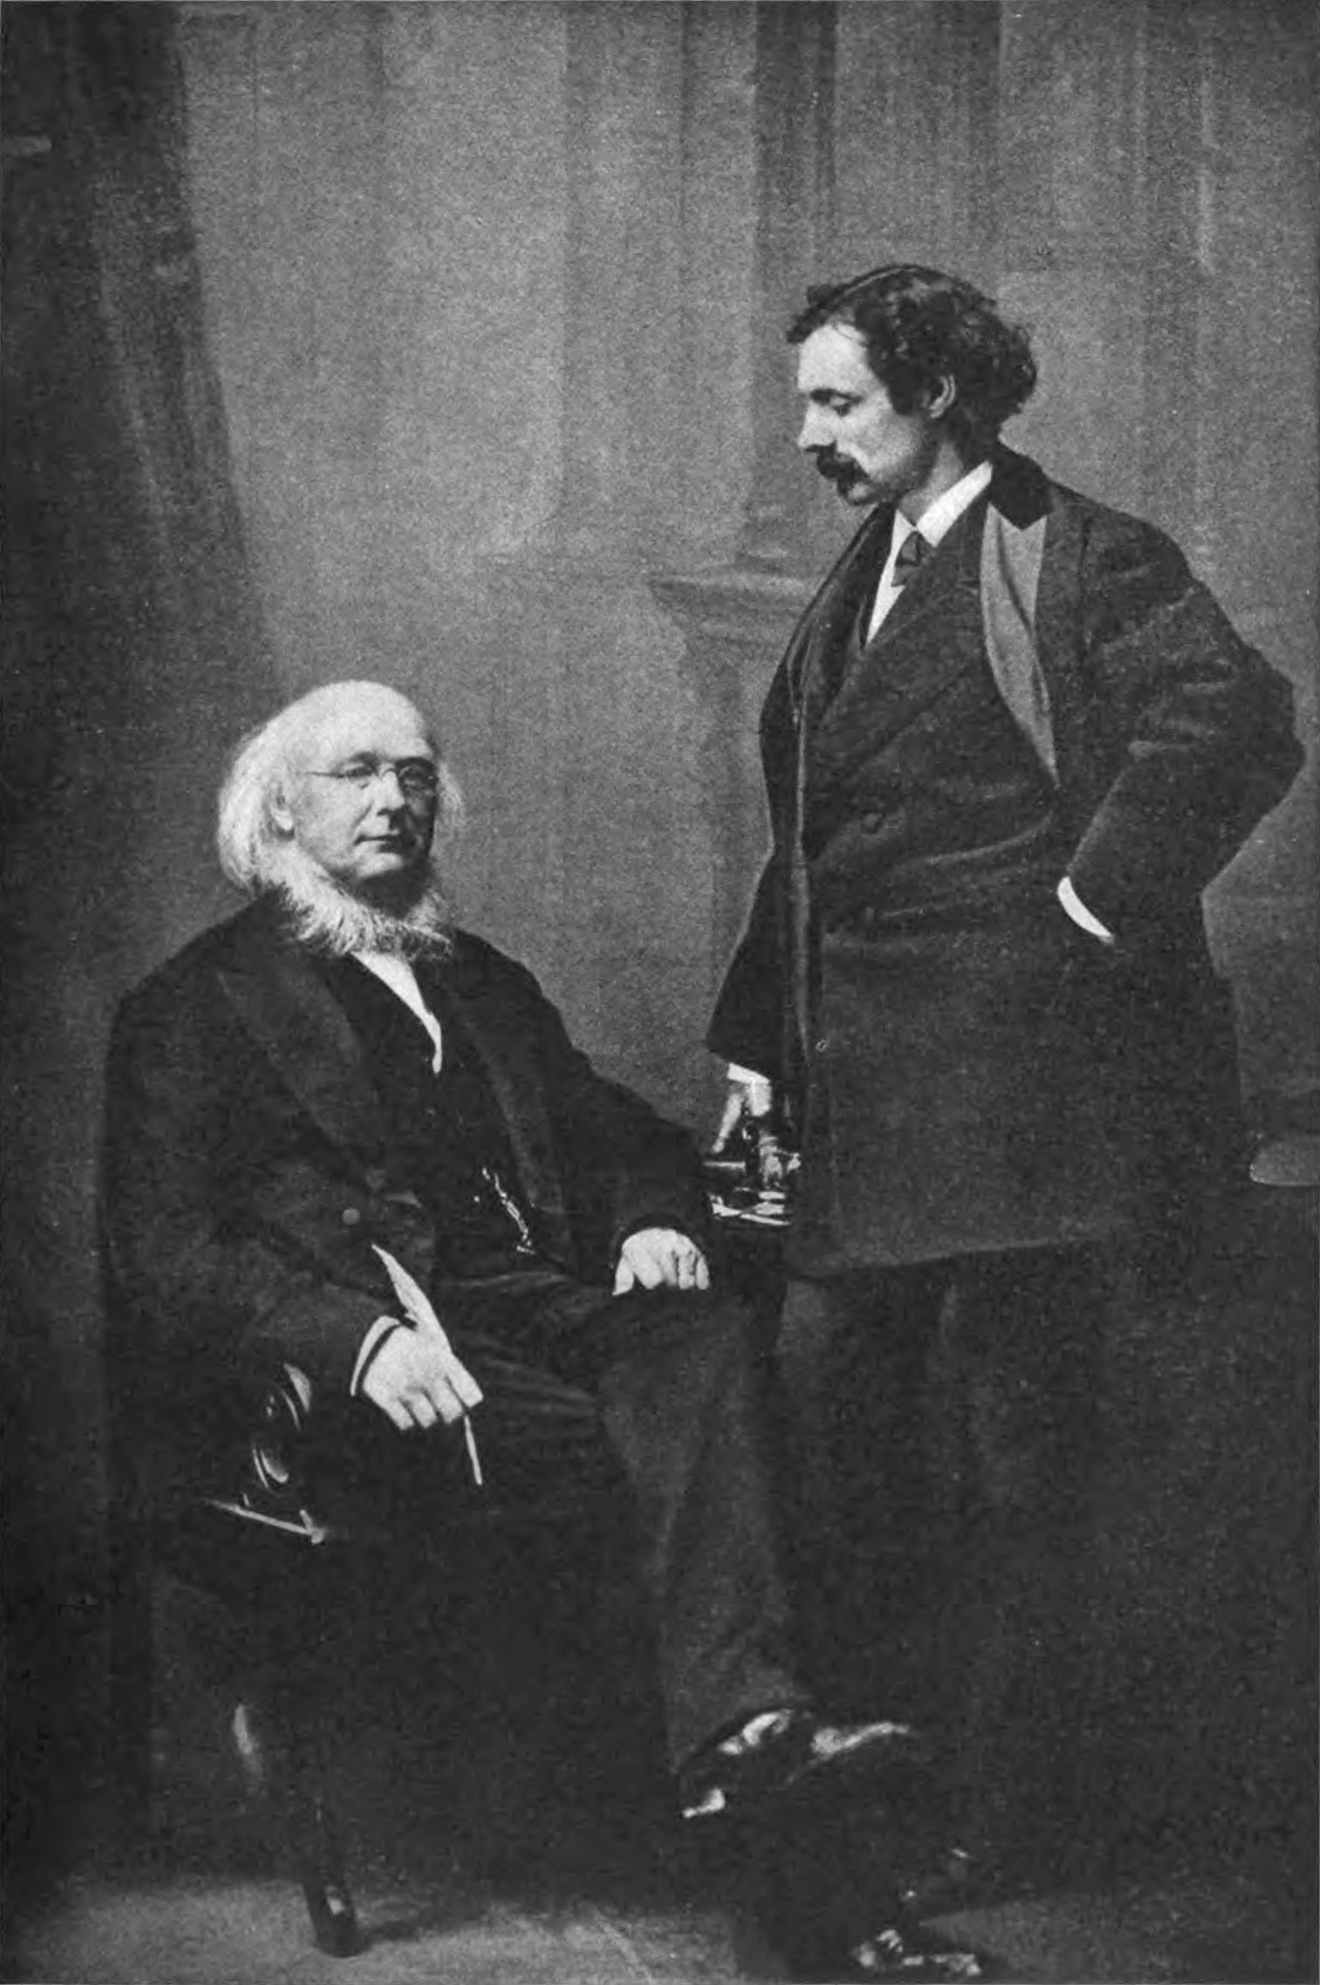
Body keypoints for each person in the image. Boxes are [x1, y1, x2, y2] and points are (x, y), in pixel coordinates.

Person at [102, 678, 982, 1980]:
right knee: (723, 1455)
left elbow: (618, 1131)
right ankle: (790, 1814)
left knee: (711, 1351)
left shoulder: (480, 982)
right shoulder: (197, 1006)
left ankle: (749, 1742)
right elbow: (169, 1252)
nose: (395, 799)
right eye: (357, 773)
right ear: (279, 809)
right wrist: (356, 1341)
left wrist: (647, 1217)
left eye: (415, 773)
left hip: (533, 1304)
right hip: (371, 1354)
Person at [709, 264, 1303, 1893]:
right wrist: (758, 1041)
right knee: (848, 1451)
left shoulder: (1082, 554)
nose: (810, 436)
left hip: (1027, 1125)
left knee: (1016, 1476)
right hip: (870, 1118)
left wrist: (1088, 904)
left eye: (839, 401)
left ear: (942, 394)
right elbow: (819, 840)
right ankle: (883, 1790)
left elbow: (1239, 719)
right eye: (806, 403)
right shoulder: (873, 567)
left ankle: (1004, 1816)